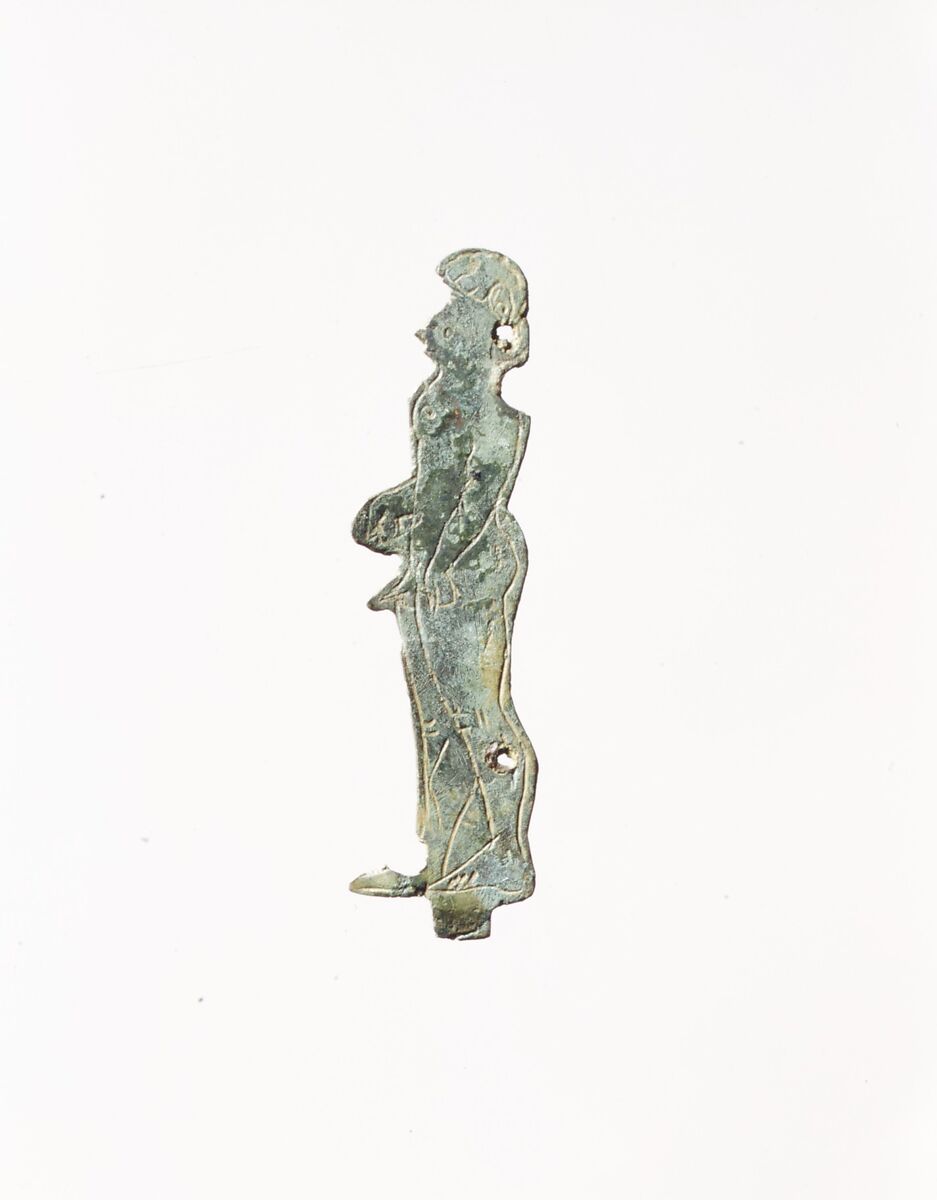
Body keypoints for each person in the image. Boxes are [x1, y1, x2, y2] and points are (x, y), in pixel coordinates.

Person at [350, 249, 537, 940]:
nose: (432, 325)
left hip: (469, 569)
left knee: (476, 714)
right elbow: (433, 488)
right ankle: (448, 861)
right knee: (438, 718)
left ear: (489, 329)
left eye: (454, 309)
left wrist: (433, 565)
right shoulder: (438, 402)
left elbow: (472, 507)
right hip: (436, 566)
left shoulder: (492, 416)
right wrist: (392, 512)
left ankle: (497, 862)